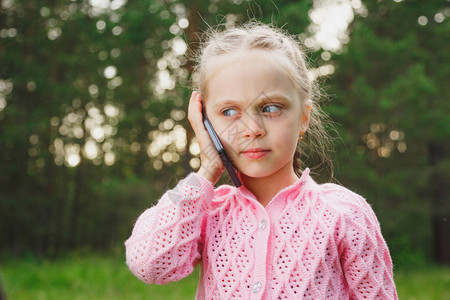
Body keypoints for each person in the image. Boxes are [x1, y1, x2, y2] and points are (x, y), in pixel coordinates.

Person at [125, 21, 398, 299]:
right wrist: (207, 168)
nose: (252, 128)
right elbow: (149, 264)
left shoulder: (343, 214)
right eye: (230, 111)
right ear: (205, 122)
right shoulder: (206, 211)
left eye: (270, 108)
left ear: (303, 117)